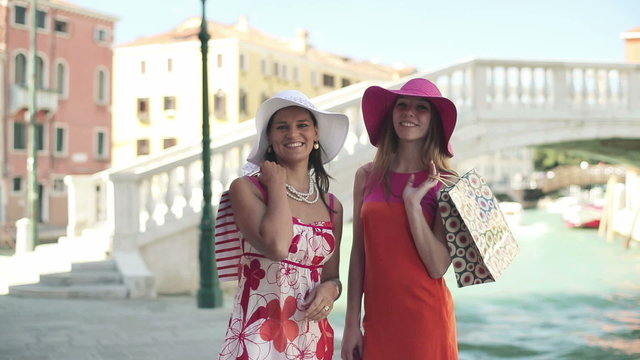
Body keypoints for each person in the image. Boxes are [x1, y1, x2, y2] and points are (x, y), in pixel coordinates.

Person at [218, 90, 349, 360]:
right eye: (282, 127)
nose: (292, 134)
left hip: (311, 341)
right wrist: (276, 185)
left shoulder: (333, 206)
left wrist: (331, 289)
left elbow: (332, 277)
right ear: (269, 138)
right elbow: (277, 246)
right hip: (257, 338)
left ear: (315, 134)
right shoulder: (246, 189)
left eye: (302, 125)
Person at [341, 78, 459, 360]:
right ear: (391, 114)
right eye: (402, 105)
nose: (409, 112)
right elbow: (359, 253)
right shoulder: (366, 176)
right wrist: (350, 324)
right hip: (377, 320)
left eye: (422, 108)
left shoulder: (447, 183)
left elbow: (437, 266)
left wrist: (412, 205)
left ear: (433, 121)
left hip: (425, 320)